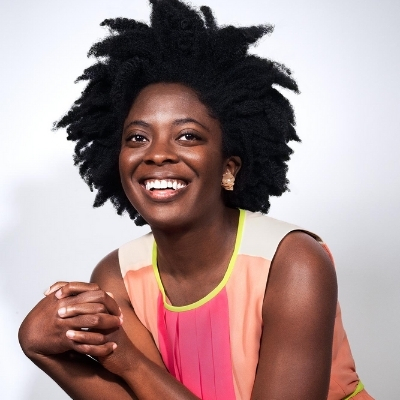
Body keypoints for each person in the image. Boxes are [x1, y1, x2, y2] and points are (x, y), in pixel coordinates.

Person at [18, 0, 374, 399]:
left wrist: (126, 357)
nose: (157, 153)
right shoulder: (119, 277)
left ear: (229, 168)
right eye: (137, 137)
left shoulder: (293, 263)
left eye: (187, 135)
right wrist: (40, 347)